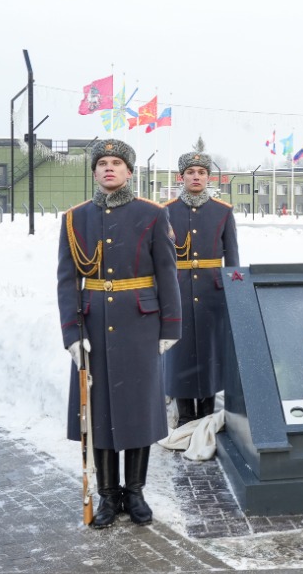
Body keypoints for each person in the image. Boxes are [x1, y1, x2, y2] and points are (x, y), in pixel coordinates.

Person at [57, 138, 182, 528]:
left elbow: (166, 272)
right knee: (99, 412)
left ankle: (136, 492)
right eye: (102, 163)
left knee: (139, 409)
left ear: (129, 171)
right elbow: (66, 279)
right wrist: (72, 333)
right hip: (94, 324)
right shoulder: (75, 218)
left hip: (140, 324)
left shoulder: (152, 214)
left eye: (116, 163)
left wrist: (170, 326)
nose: (108, 168)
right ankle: (109, 495)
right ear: (94, 172)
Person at [163, 151, 240, 426]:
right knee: (180, 350)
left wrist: (234, 289)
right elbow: (159, 256)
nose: (196, 176)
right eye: (191, 172)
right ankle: (185, 415)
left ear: (209, 177)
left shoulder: (223, 211)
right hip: (178, 290)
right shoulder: (167, 211)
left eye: (202, 172)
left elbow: (232, 256)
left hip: (212, 292)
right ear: (180, 177)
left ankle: (207, 411)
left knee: (209, 350)